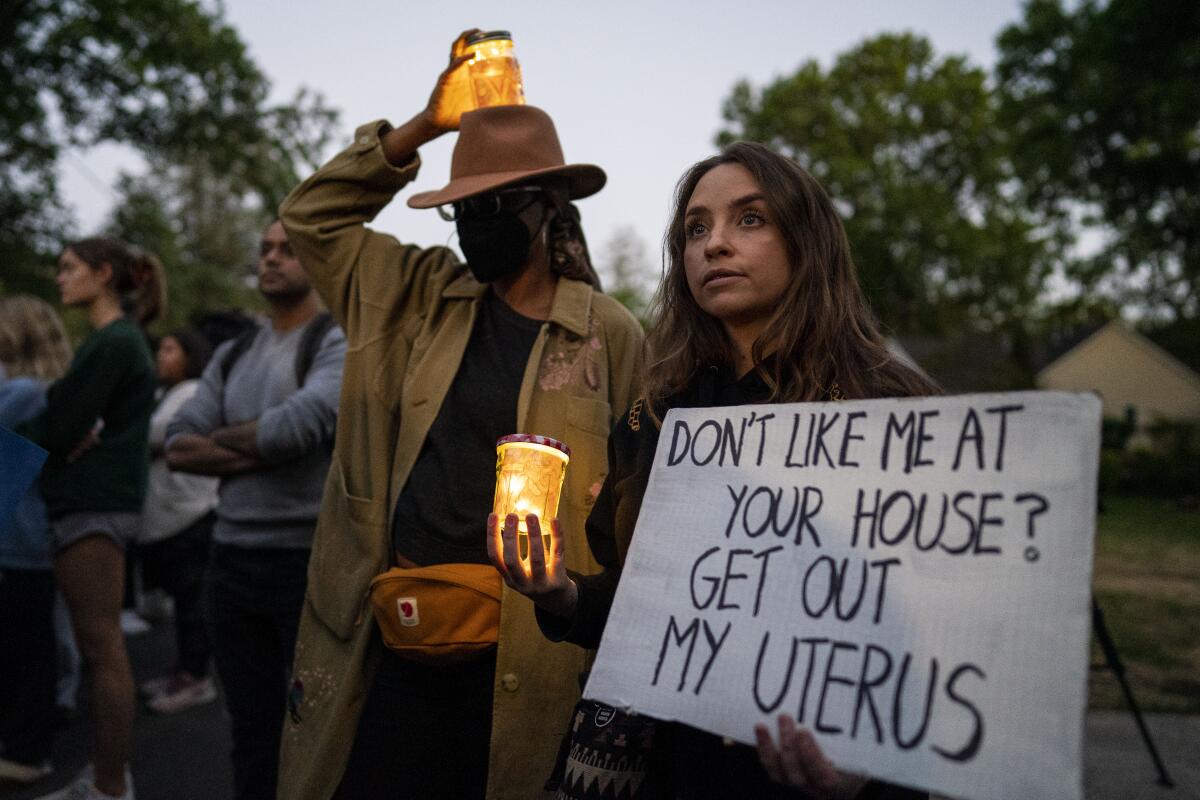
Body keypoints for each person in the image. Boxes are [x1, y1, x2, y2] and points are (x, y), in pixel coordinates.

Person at [491, 142, 940, 799]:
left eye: (749, 219)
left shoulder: (888, 406)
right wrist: (560, 593)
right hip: (662, 762)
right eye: (695, 229)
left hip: (804, 765)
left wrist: (865, 765)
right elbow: (642, 605)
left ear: (807, 241)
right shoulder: (656, 413)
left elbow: (933, 628)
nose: (715, 244)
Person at [276, 30, 644, 800]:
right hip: (395, 639)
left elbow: (633, 506)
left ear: (551, 207)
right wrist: (425, 125)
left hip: (525, 652)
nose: (477, 223)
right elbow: (311, 218)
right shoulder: (411, 295)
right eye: (463, 208)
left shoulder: (606, 331)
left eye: (498, 206)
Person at [165, 219, 345, 800]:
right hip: (231, 560)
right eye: (264, 248)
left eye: (287, 250)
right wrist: (268, 446)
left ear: (315, 261)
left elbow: (296, 428)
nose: (271, 259)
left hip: (305, 567)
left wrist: (230, 438)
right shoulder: (235, 349)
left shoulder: (335, 340)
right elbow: (177, 445)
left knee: (309, 734)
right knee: (250, 731)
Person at [20, 237, 166, 800]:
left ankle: (108, 785)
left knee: (102, 649)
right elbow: (63, 423)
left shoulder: (115, 343)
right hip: (92, 503)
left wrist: (45, 435)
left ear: (102, 274)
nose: (60, 279)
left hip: (96, 506)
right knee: (98, 646)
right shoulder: (111, 342)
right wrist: (59, 430)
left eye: (69, 269)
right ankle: (106, 778)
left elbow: (57, 426)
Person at [0, 295, 73, 786]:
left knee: (25, 650)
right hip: (29, 540)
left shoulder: (25, 391)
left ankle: (28, 749)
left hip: (19, 543)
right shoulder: (43, 389)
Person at [137, 328, 220, 714]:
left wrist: (118, 429)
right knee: (183, 601)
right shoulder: (164, 394)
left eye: (169, 347)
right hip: (168, 514)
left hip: (189, 513)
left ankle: (195, 677)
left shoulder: (192, 393)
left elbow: (161, 432)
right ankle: (183, 669)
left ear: (191, 355)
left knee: (192, 602)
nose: (161, 356)